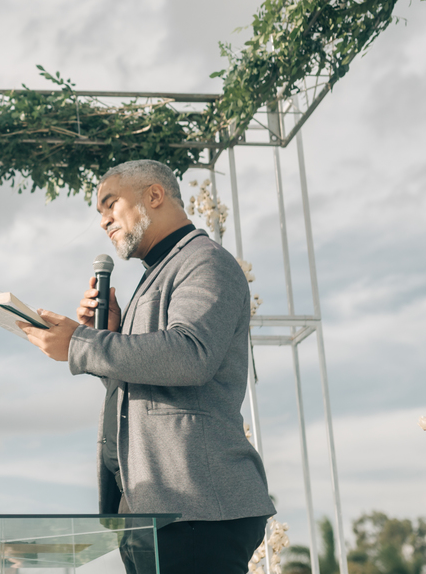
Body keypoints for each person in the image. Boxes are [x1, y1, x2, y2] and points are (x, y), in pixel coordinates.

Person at [19, 159, 274, 574]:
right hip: (151, 508)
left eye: (109, 204)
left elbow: (190, 355)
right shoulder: (157, 274)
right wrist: (110, 336)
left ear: (154, 196)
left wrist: (82, 344)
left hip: (197, 508)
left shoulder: (205, 261)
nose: (103, 221)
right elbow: (154, 381)